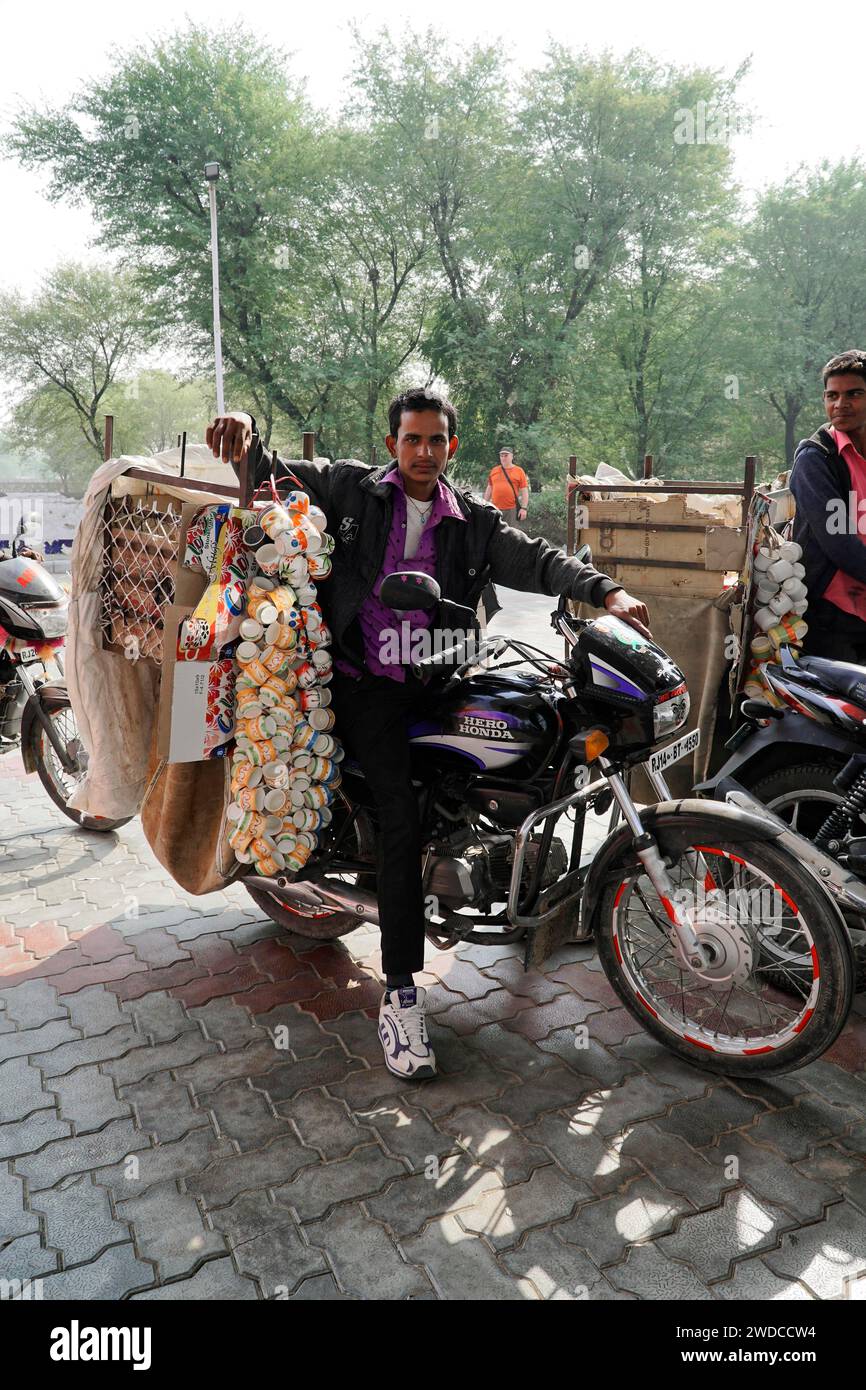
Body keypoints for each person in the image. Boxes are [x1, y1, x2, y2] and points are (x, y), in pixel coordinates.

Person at [207, 390, 650, 1080]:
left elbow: (536, 559)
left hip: (439, 674)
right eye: (412, 440)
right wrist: (244, 434)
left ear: (450, 447)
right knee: (402, 818)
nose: (423, 452)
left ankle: (509, 878)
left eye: (436, 441)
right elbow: (273, 470)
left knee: (531, 734)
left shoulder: (472, 520)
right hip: (362, 682)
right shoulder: (352, 491)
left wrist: (606, 593)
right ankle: (403, 996)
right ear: (393, 445)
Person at [791, 350, 866, 663]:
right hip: (833, 612)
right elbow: (839, 542)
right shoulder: (816, 459)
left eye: (854, 394)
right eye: (832, 395)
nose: (840, 404)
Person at [484, 447, 529, 525]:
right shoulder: (494, 470)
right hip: (495, 509)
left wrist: (524, 508)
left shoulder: (519, 471)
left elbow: (524, 491)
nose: (503, 458)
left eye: (506, 455)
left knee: (511, 535)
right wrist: (484, 505)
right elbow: (489, 488)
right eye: (501, 456)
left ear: (512, 456)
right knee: (495, 535)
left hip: (511, 510)